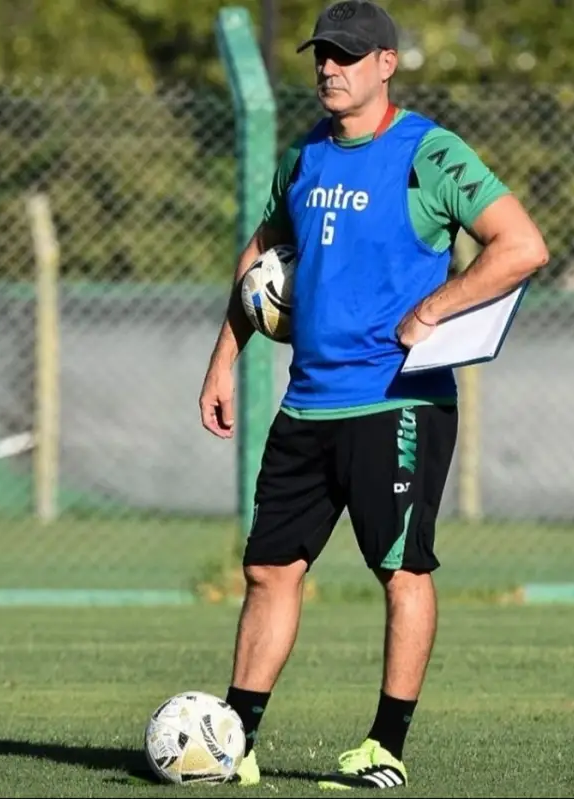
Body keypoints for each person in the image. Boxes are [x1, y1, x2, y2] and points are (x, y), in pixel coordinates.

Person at [198, 0, 549, 789]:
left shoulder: (430, 152)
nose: (329, 67)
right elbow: (259, 257)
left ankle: (384, 746)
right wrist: (224, 358)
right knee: (268, 570)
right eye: (322, 54)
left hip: (398, 402)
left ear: (386, 64)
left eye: (348, 56)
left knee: (400, 570)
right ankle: (233, 742)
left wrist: (435, 306)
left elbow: (522, 245)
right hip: (307, 403)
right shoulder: (306, 157)